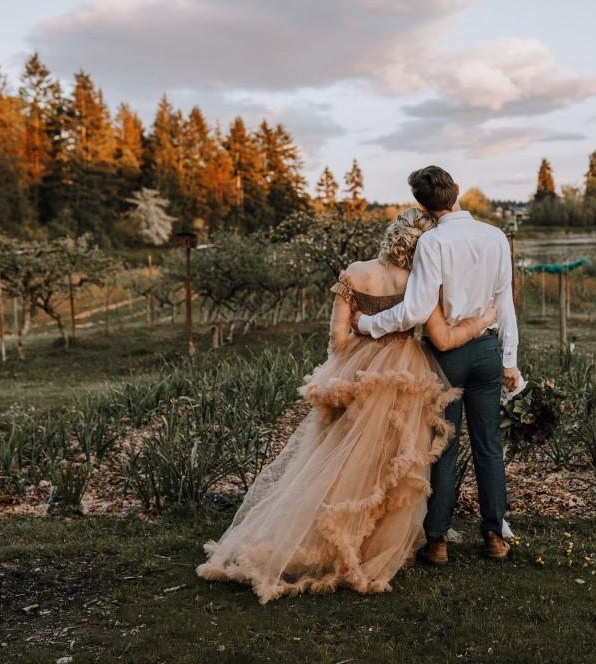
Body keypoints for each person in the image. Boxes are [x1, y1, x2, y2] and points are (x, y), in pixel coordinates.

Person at [196, 208, 495, 603]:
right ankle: (376, 545)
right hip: (404, 375)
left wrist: (352, 361)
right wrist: (483, 321)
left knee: (337, 458)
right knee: (390, 464)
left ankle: (320, 536)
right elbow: (439, 335)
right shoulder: (420, 283)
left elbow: (338, 339)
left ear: (393, 235)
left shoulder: (354, 272)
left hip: (354, 373)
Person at [354, 166, 519, 565]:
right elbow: (505, 302)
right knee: (489, 447)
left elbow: (414, 310)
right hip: (485, 354)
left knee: (442, 449)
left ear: (423, 205)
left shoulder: (432, 243)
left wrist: (368, 324)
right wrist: (509, 359)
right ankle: (495, 536)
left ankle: (438, 542)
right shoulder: (496, 237)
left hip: (446, 355)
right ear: (457, 190)